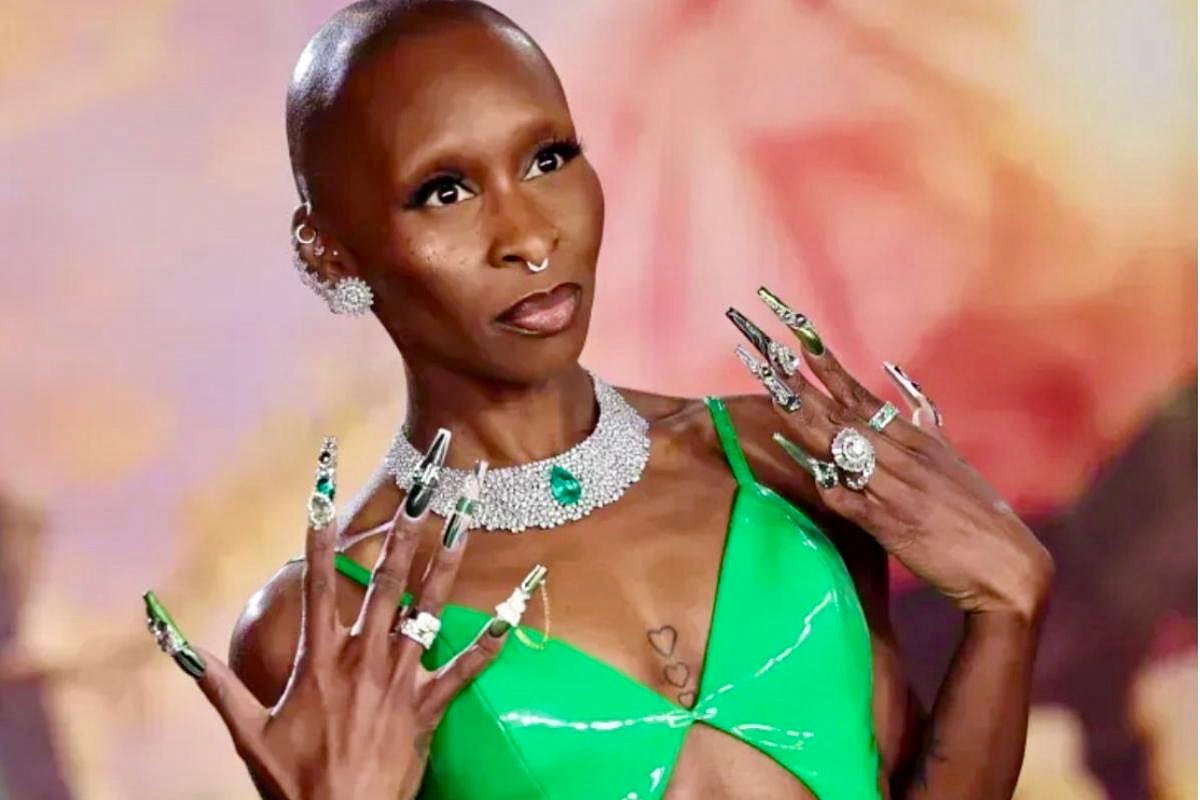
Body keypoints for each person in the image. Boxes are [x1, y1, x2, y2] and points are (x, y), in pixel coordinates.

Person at [142, 1, 1054, 797]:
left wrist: (1007, 614)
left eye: (548, 158)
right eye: (445, 191)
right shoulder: (331, 627)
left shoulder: (783, 461)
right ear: (328, 250)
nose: (530, 236)